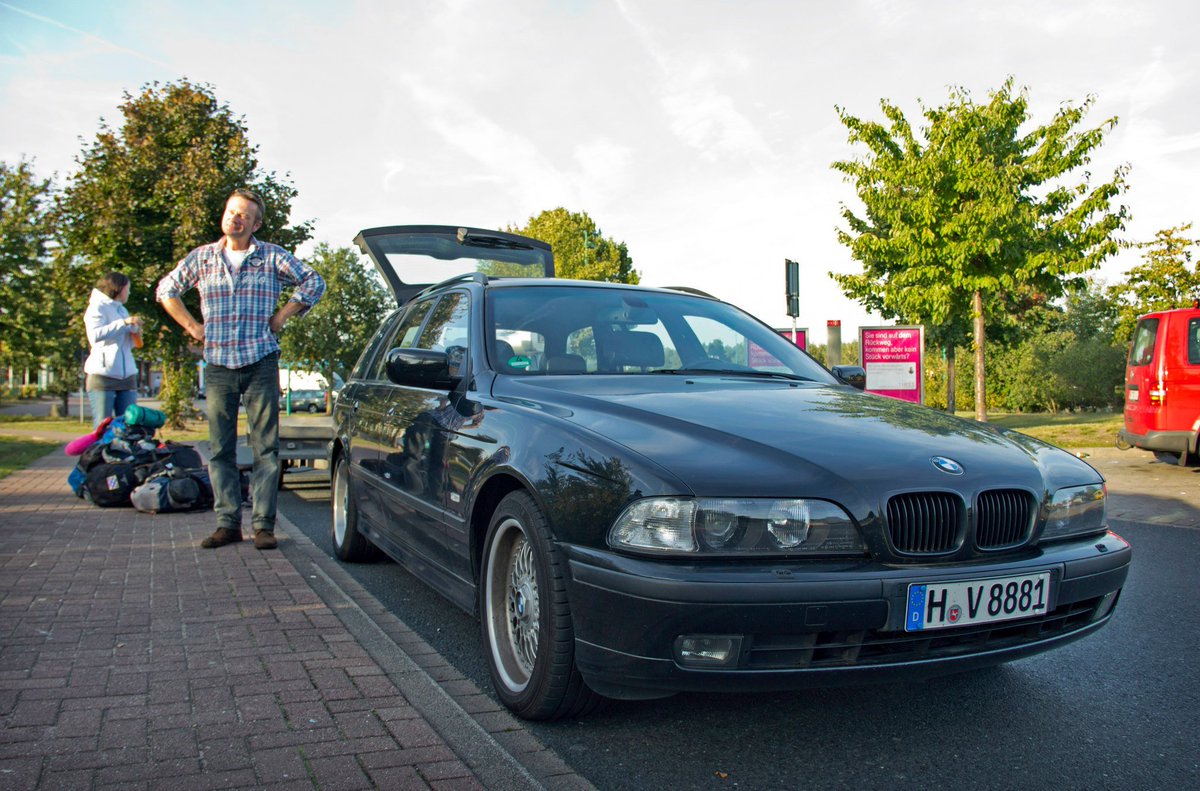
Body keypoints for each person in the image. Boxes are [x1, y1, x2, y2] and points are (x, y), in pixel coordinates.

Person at [156, 188, 325, 550]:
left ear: (255, 223)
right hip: (218, 365)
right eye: (231, 212)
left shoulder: (271, 257)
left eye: (244, 215)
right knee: (220, 449)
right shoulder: (201, 258)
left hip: (260, 361)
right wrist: (191, 327)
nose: (236, 218)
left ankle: (263, 526)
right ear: (224, 216)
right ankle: (227, 523)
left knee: (265, 448)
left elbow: (315, 281)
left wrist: (283, 314)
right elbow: (166, 289)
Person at [84, 272, 142, 428]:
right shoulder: (97, 308)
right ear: (119, 288)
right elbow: (95, 335)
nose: (129, 292)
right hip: (104, 377)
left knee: (129, 426)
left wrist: (135, 332)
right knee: (104, 427)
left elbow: (126, 345)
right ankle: (101, 452)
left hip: (127, 376)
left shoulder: (122, 310)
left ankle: (126, 453)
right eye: (128, 289)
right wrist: (123, 323)